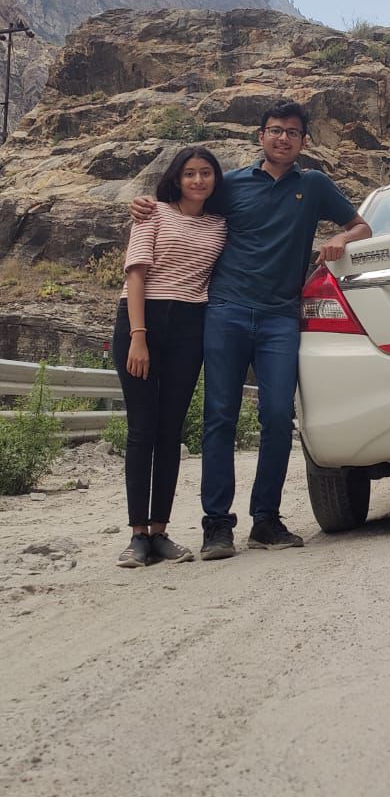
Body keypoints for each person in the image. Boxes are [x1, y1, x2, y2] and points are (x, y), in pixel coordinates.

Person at [133, 100, 371, 559]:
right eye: (275, 130)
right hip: (226, 311)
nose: (283, 138)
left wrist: (340, 237)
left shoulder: (314, 185)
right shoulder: (231, 185)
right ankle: (216, 526)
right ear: (261, 136)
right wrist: (147, 205)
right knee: (219, 416)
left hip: (281, 317)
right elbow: (186, 203)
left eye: (293, 132)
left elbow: (362, 226)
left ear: (304, 141)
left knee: (278, 416)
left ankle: (266, 520)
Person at [113, 146, 227, 567]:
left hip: (189, 328)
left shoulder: (221, 225)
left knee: (170, 431)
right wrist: (138, 337)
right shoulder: (152, 214)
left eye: (206, 173)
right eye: (189, 173)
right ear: (176, 178)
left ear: (216, 180)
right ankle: (137, 535)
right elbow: (136, 274)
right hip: (140, 321)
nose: (198, 180)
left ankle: (160, 532)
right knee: (142, 430)